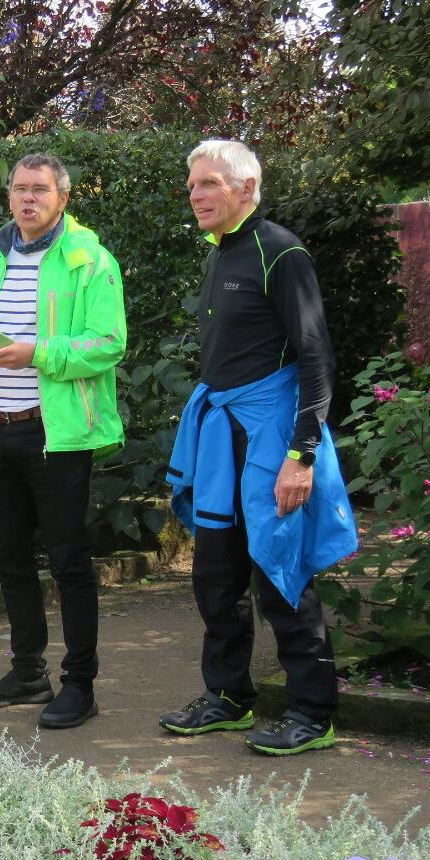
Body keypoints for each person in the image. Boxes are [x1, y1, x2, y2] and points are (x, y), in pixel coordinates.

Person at [159, 139, 357, 755]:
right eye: (192, 184)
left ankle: (313, 714)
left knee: (280, 570)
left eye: (210, 183)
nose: (196, 194)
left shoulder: (281, 251)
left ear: (247, 188)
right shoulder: (221, 252)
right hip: (224, 436)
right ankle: (228, 697)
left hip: (272, 436)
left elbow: (317, 357)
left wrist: (302, 455)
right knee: (215, 573)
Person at [0, 153, 126, 729]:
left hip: (57, 434)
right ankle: (28, 671)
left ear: (63, 198)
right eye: (20, 189)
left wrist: (38, 353)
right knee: (8, 555)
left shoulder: (89, 259)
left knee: (69, 559)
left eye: (40, 190)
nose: (28, 199)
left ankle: (80, 685)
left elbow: (108, 343)